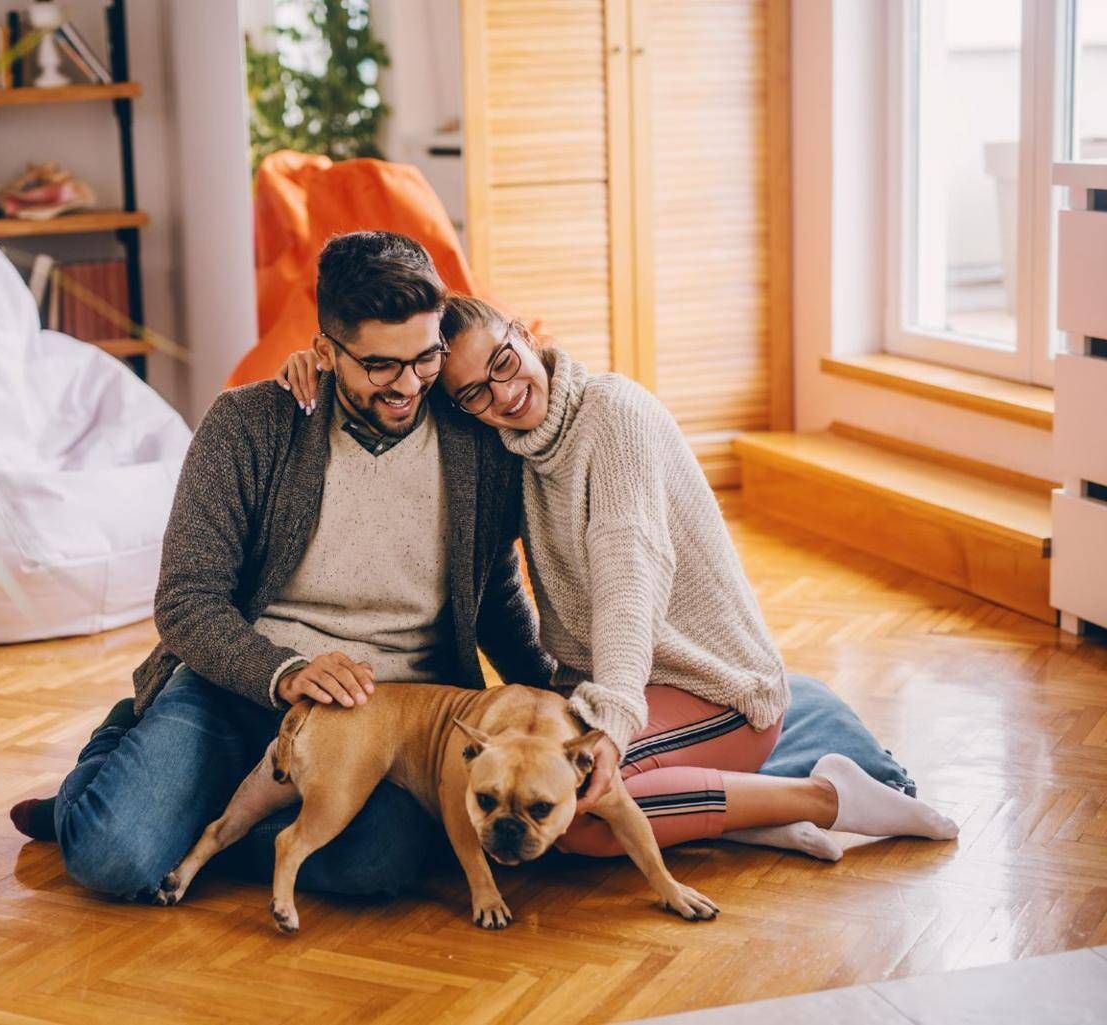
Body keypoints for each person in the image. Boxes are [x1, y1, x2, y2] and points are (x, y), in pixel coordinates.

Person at [275, 294, 959, 860]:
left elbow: (631, 573)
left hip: (713, 686)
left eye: (506, 363)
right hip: (620, 689)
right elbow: (401, 402)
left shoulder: (614, 414)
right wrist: (320, 369)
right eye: (476, 393)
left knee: (577, 803)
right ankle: (742, 813)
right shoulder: (512, 446)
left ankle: (829, 795)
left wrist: (616, 720)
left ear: (522, 330)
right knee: (547, 794)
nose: (506, 393)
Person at [9, 232, 555, 900]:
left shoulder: (473, 436)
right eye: (381, 366)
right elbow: (187, 599)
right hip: (237, 689)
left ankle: (216, 822)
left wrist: (551, 698)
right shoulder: (251, 424)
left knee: (380, 866)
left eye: (425, 358)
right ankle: (119, 758)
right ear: (325, 351)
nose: (408, 385)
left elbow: (494, 594)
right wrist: (287, 671)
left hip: (389, 719)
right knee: (113, 856)